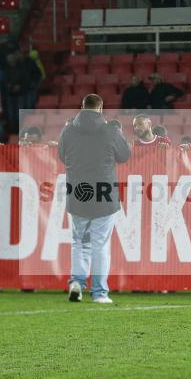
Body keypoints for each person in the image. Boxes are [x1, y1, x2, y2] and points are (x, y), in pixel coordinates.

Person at [58, 94, 131, 304]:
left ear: (82, 107)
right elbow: (124, 155)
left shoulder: (69, 129)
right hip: (104, 195)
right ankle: (99, 293)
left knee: (79, 242)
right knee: (100, 245)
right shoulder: (110, 130)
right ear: (101, 108)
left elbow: (62, 155)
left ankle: (77, 283)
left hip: (78, 193)